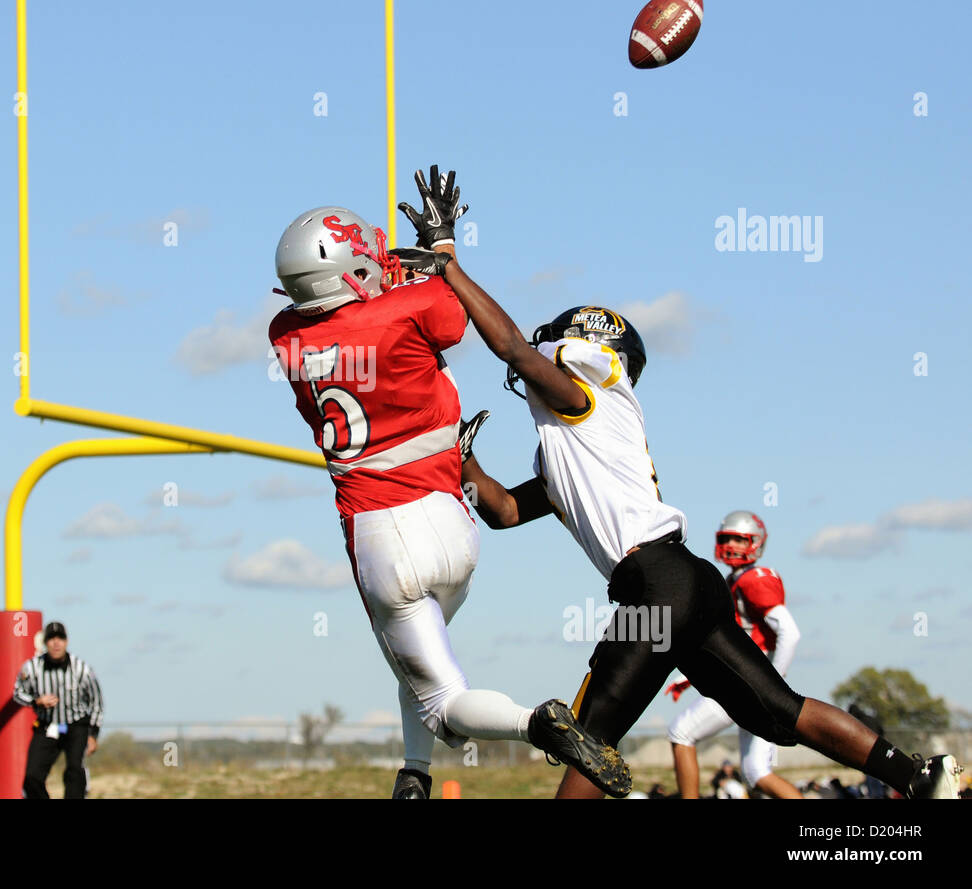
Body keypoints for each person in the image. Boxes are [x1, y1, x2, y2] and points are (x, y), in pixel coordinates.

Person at [392, 169, 963, 799]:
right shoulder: (571, 451)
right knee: (781, 712)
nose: (540, 352)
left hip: (655, 584)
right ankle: (918, 778)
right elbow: (500, 510)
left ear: (580, 347)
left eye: (553, 343)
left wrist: (447, 261)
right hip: (688, 582)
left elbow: (516, 353)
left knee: (587, 738)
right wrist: (463, 461)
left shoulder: (590, 396)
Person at [267, 170, 629, 799]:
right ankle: (415, 774)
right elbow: (444, 310)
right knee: (421, 671)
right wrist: (439, 250)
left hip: (382, 534)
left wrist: (394, 274)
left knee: (442, 699)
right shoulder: (411, 307)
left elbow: (360, 305)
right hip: (450, 520)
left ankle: (536, 724)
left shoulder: (286, 338)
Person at [666, 511, 803, 799]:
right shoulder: (734, 580)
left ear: (756, 543)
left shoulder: (753, 580)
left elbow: (790, 633)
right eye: (727, 538)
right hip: (750, 675)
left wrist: (773, 688)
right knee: (756, 771)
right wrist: (686, 678)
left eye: (740, 540)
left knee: (681, 732)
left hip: (746, 679)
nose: (732, 545)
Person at [12, 621, 103, 799]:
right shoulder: (32, 668)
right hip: (47, 725)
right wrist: (36, 701)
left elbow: (96, 702)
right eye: (51, 639)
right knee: (32, 777)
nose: (56, 643)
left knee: (74, 770)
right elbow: (17, 693)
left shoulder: (81, 669)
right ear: (45, 643)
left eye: (60, 638)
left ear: (66, 641)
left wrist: (93, 734)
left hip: (76, 725)